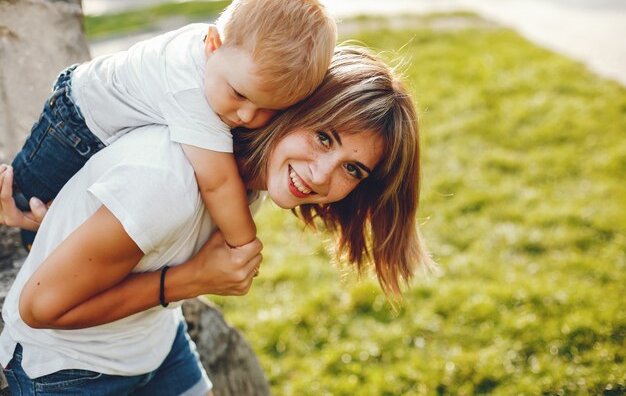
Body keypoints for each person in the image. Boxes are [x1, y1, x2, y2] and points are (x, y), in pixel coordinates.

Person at [0, 46, 433, 396]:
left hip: (153, 343)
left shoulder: (245, 176)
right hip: (67, 370)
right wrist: (193, 279)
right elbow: (40, 309)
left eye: (352, 169)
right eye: (324, 137)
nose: (322, 175)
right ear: (291, 104)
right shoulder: (166, 179)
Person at [10, 0, 337, 250]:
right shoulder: (188, 88)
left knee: (65, 215)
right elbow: (218, 184)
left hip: (101, 126)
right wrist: (244, 244)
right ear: (212, 43)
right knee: (26, 196)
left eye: (270, 110)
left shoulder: (228, 62)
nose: (247, 116)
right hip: (73, 124)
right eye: (239, 94)